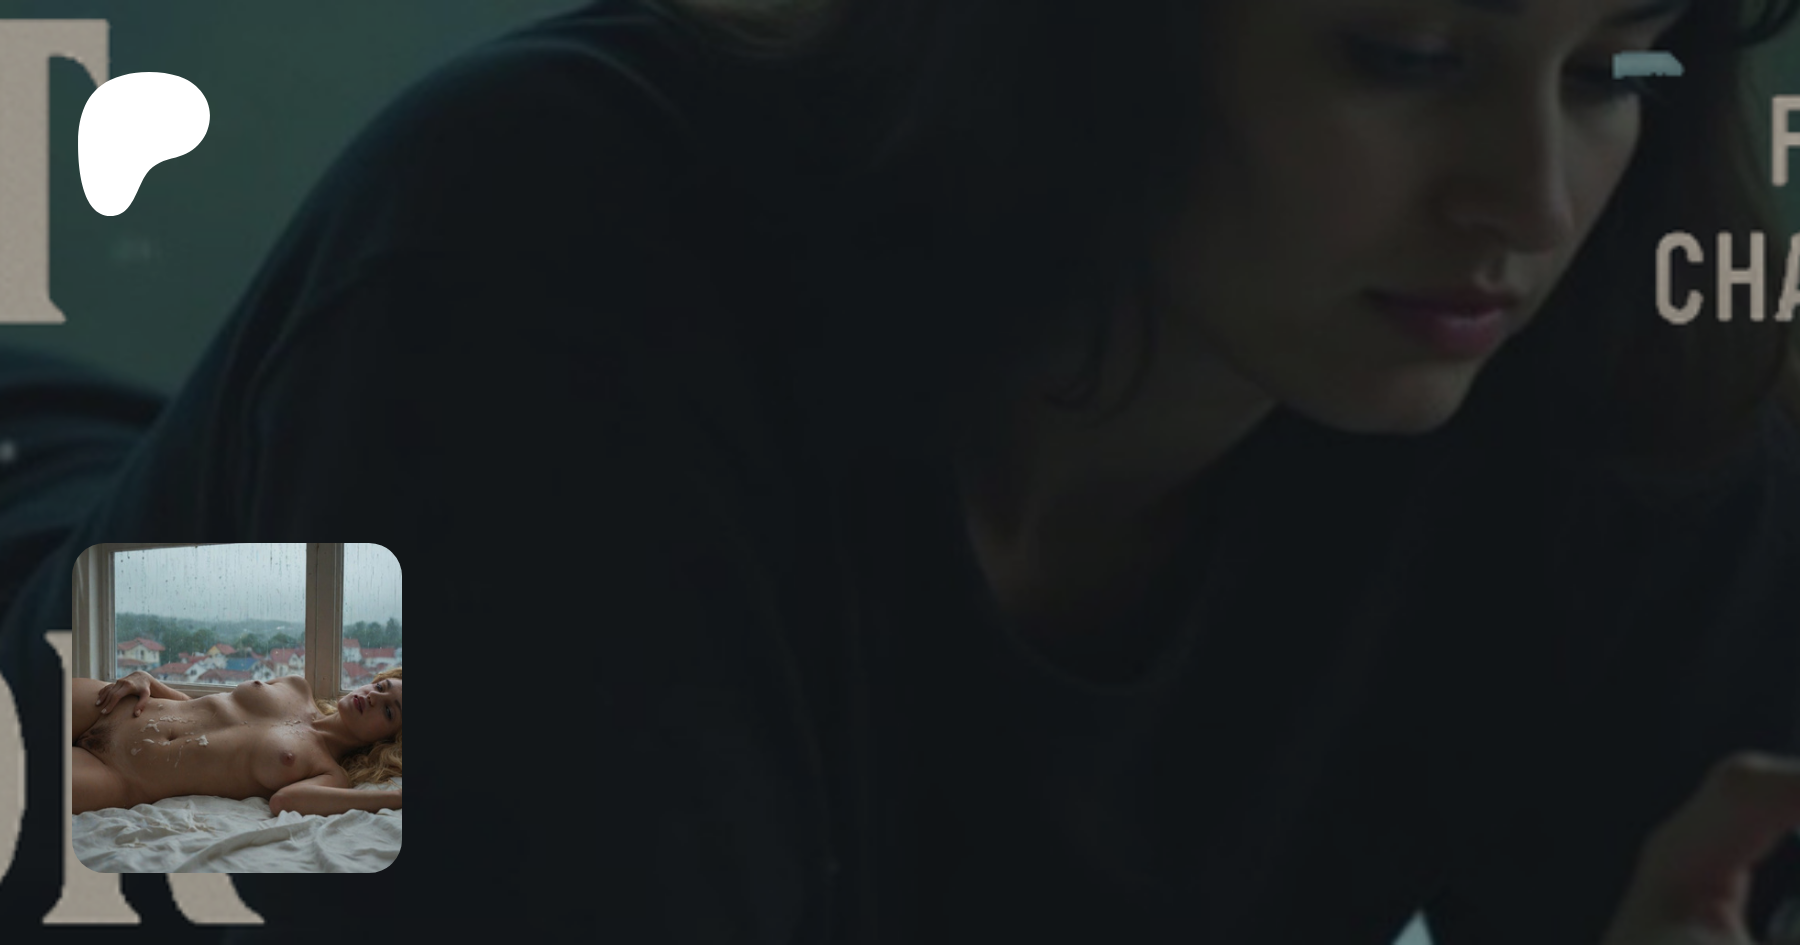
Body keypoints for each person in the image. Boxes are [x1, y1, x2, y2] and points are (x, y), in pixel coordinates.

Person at [1, 0, 1799, 940]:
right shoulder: (535, 253)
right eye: (1407, 55)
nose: (1530, 197)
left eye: (1610, 63)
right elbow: (177, 818)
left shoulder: (1596, 369)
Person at [68, 666, 403, 816]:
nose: (374, 697)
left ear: (388, 740)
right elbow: (206, 708)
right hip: (118, 705)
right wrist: (150, 681)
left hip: (120, 774)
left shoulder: (329, 774)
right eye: (381, 687)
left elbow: (285, 803)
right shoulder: (296, 686)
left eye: (389, 711)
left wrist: (398, 798)